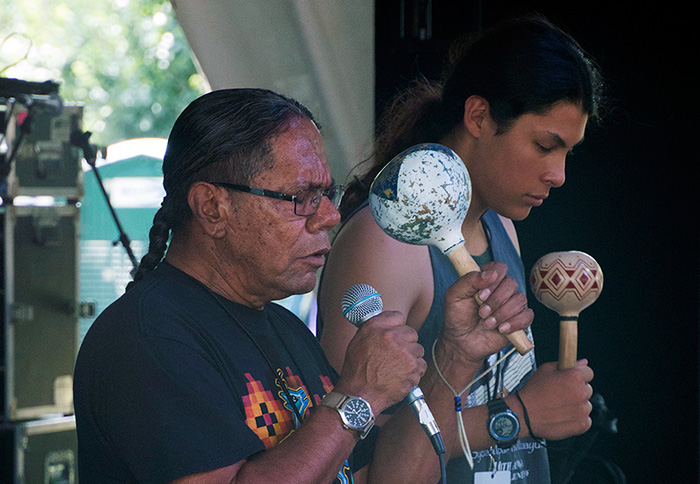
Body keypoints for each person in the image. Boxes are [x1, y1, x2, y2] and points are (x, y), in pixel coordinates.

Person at [73, 88, 534, 484]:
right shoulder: (146, 338)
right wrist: (359, 396)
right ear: (212, 208)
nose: (331, 217)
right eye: (301, 199)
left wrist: (455, 356)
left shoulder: (284, 328)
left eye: (327, 196)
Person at [318, 14, 603, 483]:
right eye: (544, 146)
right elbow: (352, 456)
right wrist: (520, 414)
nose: (559, 174)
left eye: (568, 153)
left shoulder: (500, 225)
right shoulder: (386, 242)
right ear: (477, 116)